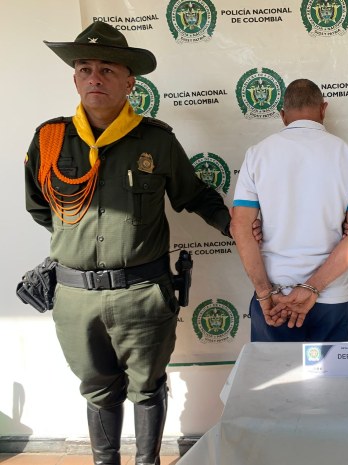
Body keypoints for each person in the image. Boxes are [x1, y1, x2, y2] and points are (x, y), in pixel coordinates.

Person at [24, 21, 231, 465]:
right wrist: (77, 244)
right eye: (85, 69)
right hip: (76, 297)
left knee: (148, 387)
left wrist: (236, 226)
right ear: (75, 79)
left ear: (129, 82)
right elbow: (41, 207)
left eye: (107, 70)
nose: (94, 78)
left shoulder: (156, 140)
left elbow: (194, 195)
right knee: (97, 390)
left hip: (142, 293)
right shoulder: (49, 140)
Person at [231, 78, 348, 342]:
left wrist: (264, 292)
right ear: (323, 109)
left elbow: (240, 227)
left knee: (275, 371)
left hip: (275, 298)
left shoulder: (257, 154)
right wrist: (313, 288)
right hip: (333, 297)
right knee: (334, 371)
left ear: (283, 115)